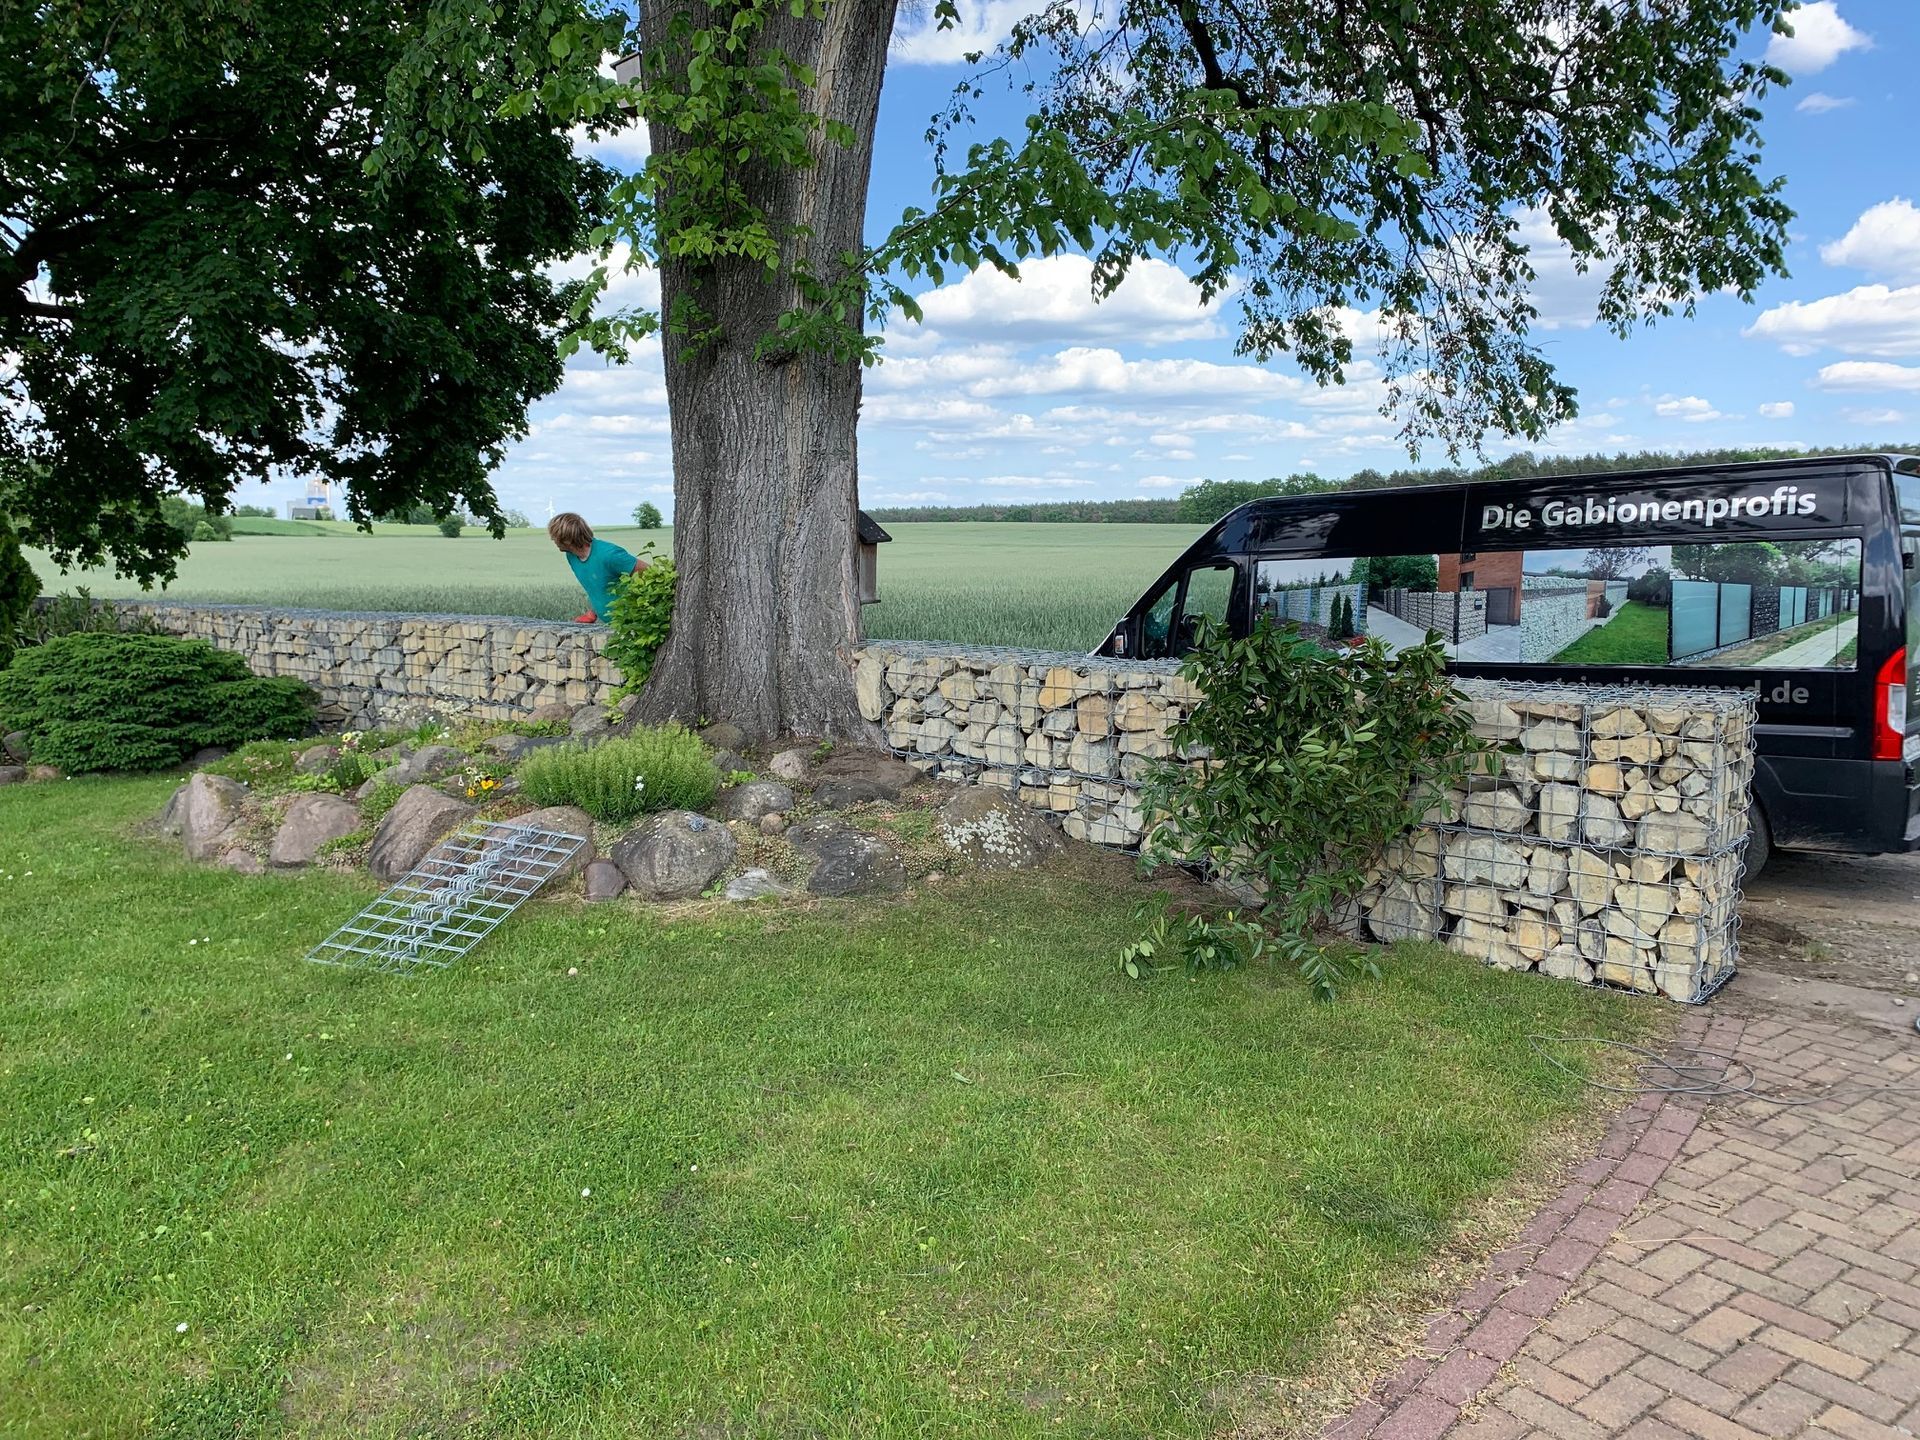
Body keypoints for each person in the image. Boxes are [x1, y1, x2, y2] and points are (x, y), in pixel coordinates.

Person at [548, 512, 647, 623]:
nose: (553, 540)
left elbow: (649, 574)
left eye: (555, 537)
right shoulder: (571, 556)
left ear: (568, 539)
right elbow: (599, 586)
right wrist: (593, 612)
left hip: (633, 624)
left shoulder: (610, 555)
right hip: (611, 624)